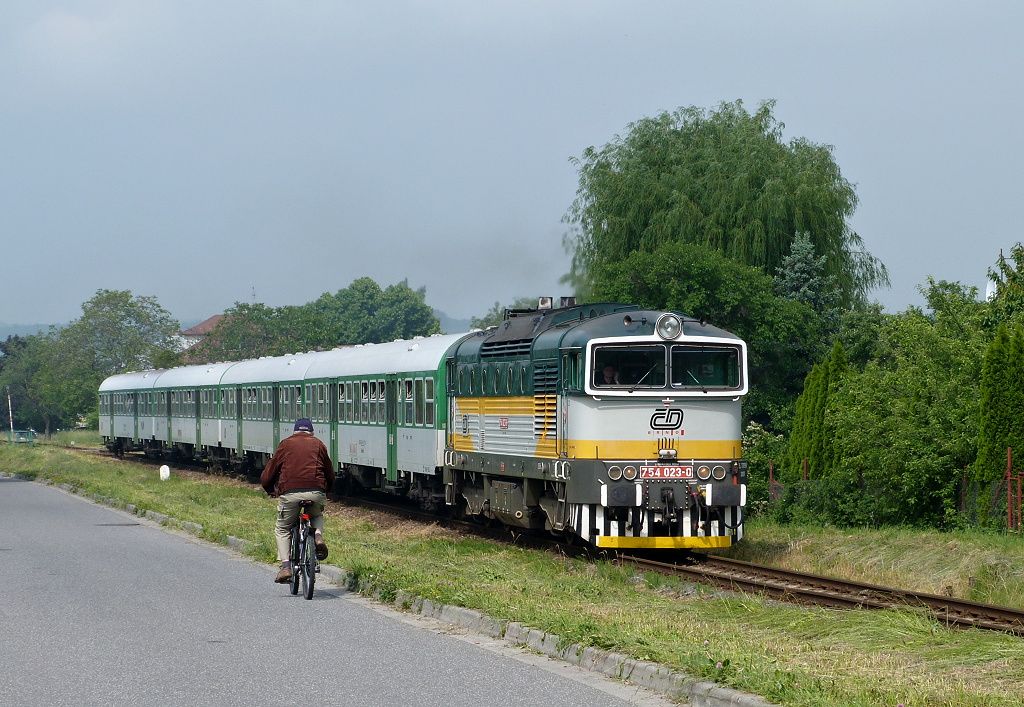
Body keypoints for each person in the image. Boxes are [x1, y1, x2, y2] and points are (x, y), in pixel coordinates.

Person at [260, 418, 335, 584]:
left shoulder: (285, 444)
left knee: (283, 528)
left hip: (290, 493)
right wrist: (326, 490)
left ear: (294, 431)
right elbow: (329, 472)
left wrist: (269, 489)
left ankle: (286, 566)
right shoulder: (319, 444)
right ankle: (317, 535)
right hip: (316, 492)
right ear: (311, 432)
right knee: (316, 515)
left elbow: (270, 471)